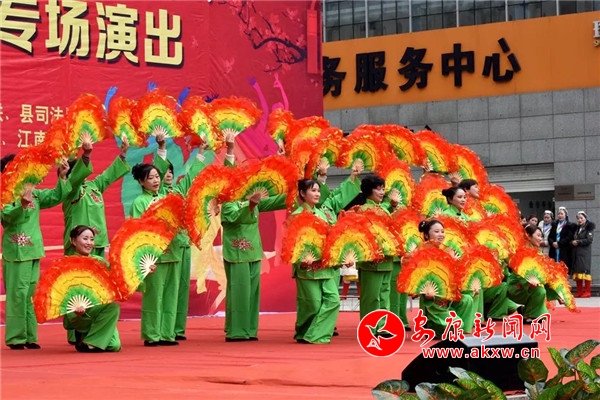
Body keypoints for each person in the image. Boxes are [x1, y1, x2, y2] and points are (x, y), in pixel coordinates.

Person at [129, 135, 207, 346]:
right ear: (141, 182)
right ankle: (152, 335)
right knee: (154, 296)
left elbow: (190, 178)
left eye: (157, 176)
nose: (156, 180)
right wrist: (144, 257)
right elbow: (137, 230)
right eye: (151, 178)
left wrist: (200, 153)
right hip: (154, 257)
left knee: (171, 295)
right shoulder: (140, 202)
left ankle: (167, 333)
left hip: (173, 251)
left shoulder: (169, 195)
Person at [1, 154, 70, 350]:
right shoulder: (4, 195)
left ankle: (30, 336)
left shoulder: (34, 193)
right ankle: (16, 337)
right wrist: (21, 205)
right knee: (17, 295)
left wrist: (62, 176)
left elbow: (56, 196)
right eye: (13, 167)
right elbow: (6, 218)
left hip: (34, 250)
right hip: (16, 251)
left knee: (30, 294)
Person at [291, 172, 360, 344]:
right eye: (313, 190)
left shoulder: (324, 214)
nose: (317, 194)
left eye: (318, 190)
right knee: (312, 304)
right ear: (302, 194)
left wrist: (343, 258)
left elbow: (332, 241)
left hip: (326, 266)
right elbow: (292, 243)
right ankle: (303, 331)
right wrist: (302, 259)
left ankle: (315, 335)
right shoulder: (296, 215)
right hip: (307, 267)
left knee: (333, 300)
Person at [153, 143, 211, 341]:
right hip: (165, 248)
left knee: (181, 288)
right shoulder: (158, 195)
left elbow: (191, 177)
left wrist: (201, 153)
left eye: (171, 171)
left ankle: (176, 328)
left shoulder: (178, 192)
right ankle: (160, 329)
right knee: (165, 290)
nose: (168, 174)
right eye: (165, 172)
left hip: (182, 244)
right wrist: (161, 147)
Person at [63, 136, 130, 257]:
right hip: (77, 244)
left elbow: (108, 175)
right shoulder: (68, 189)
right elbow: (75, 179)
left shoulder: (93, 185)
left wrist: (123, 154)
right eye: (82, 167)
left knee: (98, 269)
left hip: (97, 241)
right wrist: (86, 155)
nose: (86, 170)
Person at [63, 225, 121, 352]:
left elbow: (118, 277)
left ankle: (87, 341)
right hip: (79, 313)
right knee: (113, 307)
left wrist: (142, 272)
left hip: (98, 310)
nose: (89, 243)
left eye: (92, 239)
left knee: (114, 346)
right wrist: (76, 308)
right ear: (73, 241)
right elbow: (63, 294)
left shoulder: (100, 261)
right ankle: (87, 338)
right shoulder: (67, 265)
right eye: (85, 239)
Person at [414, 219, 474, 337]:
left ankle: (459, 332)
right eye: (436, 231)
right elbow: (414, 277)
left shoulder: (447, 251)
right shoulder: (421, 251)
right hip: (433, 300)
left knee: (467, 300)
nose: (441, 234)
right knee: (456, 325)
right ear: (426, 235)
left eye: (442, 231)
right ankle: (432, 326)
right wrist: (425, 292)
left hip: (448, 296)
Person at [350, 174, 398, 320]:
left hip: (387, 260)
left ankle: (383, 325)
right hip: (371, 261)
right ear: (368, 191)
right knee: (371, 297)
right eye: (378, 189)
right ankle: (369, 326)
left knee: (384, 295)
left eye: (383, 189)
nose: (382, 192)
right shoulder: (362, 210)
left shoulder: (384, 210)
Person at [507, 225, 561, 322]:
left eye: (541, 236)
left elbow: (546, 274)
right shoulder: (521, 251)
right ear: (528, 236)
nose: (541, 239)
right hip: (517, 287)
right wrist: (528, 281)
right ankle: (528, 315)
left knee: (543, 314)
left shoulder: (538, 253)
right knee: (540, 291)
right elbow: (519, 273)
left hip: (531, 286)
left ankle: (525, 311)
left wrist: (558, 293)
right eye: (538, 235)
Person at [571, 211, 594, 298]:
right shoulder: (577, 229)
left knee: (585, 271)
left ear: (585, 218)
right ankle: (579, 292)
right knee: (578, 271)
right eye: (578, 218)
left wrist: (578, 242)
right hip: (577, 252)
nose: (579, 220)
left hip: (584, 253)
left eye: (581, 218)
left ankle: (587, 291)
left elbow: (589, 240)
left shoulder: (589, 228)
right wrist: (572, 242)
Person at [548, 206, 576, 275]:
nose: (560, 215)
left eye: (561, 214)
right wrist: (552, 243)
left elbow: (569, 237)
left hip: (564, 250)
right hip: (554, 249)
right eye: (558, 214)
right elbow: (550, 237)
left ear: (565, 215)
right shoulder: (554, 225)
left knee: (564, 271)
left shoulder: (569, 226)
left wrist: (559, 243)